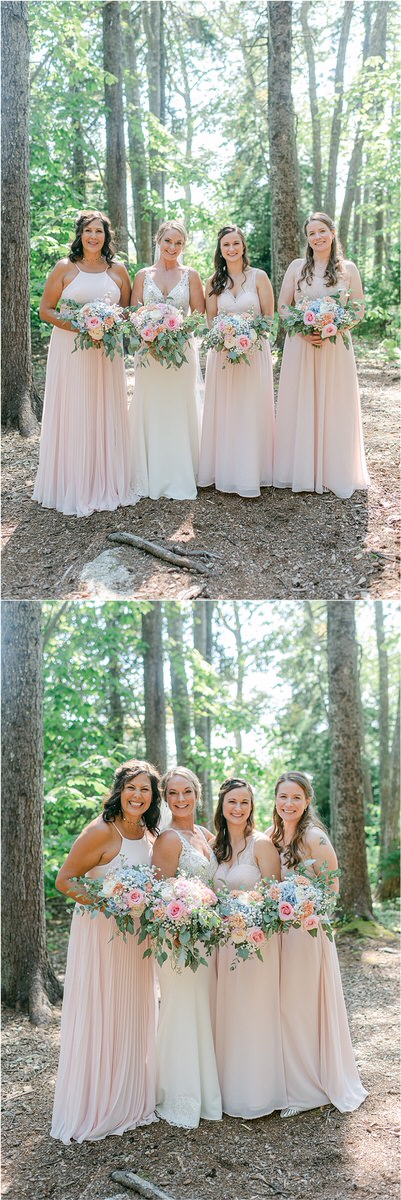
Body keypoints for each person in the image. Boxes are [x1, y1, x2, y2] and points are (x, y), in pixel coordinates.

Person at [51, 760, 161, 1143]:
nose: (138, 795)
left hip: (136, 940)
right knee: (104, 1010)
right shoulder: (101, 831)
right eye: (132, 788)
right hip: (101, 936)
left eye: (145, 789)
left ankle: (132, 1096)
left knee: (133, 1010)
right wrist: (109, 904)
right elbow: (65, 880)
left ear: (153, 796)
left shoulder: (149, 834)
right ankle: (98, 1104)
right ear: (119, 791)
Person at [267, 771, 368, 1116]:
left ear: (308, 800)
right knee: (283, 1007)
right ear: (275, 800)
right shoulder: (272, 836)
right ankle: (288, 1080)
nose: (289, 803)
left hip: (307, 934)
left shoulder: (315, 837)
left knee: (302, 1007)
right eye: (283, 797)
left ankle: (308, 1089)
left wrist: (303, 911)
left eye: (296, 797)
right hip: (278, 934)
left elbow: (332, 891)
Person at [33, 210, 133, 517]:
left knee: (103, 409)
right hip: (71, 350)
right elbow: (46, 310)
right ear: (80, 234)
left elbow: (127, 311)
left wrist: (108, 323)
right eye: (88, 231)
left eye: (99, 232)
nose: (94, 236)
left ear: (106, 237)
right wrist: (82, 326)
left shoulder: (118, 271)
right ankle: (73, 483)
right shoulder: (65, 267)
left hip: (106, 352)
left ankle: (106, 479)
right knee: (76, 409)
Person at [273, 212, 370, 498]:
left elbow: (358, 308)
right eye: (311, 233)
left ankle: (333, 470)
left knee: (334, 401)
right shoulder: (296, 267)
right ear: (307, 238)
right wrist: (302, 330)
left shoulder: (348, 268)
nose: (317, 237)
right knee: (301, 400)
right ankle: (300, 469)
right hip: (301, 345)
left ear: (332, 232)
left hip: (335, 345)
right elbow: (283, 306)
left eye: (321, 231)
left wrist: (334, 327)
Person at [209, 777, 287, 1117]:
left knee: (253, 1011)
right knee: (226, 1012)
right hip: (221, 944)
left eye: (244, 802)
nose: (238, 808)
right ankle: (227, 1089)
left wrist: (245, 907)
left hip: (256, 943)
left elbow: (275, 895)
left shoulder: (262, 844)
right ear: (222, 807)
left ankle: (257, 1093)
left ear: (252, 807)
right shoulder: (215, 846)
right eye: (232, 802)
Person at [151, 767, 222, 1127]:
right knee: (180, 1007)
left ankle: (205, 1087)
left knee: (201, 1008)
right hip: (177, 937)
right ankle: (177, 1092)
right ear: (165, 799)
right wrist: (177, 926)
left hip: (205, 937)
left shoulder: (206, 836)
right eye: (172, 794)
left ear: (197, 793)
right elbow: (158, 895)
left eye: (186, 792)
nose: (180, 800)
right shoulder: (167, 839)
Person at [129, 221, 205, 500]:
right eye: (168, 241)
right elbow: (133, 313)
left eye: (179, 243)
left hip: (180, 353)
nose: (173, 248)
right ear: (158, 240)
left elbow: (198, 314)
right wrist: (149, 333)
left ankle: (180, 473)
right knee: (150, 405)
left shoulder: (191, 275)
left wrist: (174, 332)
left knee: (177, 407)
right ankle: (149, 474)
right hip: (147, 352)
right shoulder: (142, 275)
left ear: (184, 246)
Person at [198, 224, 275, 497]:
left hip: (254, 352)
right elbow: (210, 319)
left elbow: (268, 317)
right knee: (226, 408)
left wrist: (250, 336)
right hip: (222, 354)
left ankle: (252, 472)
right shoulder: (212, 282)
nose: (231, 249)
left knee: (250, 407)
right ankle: (226, 471)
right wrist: (223, 336)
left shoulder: (259, 277)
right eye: (225, 245)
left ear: (243, 247)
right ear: (220, 250)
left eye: (235, 244)